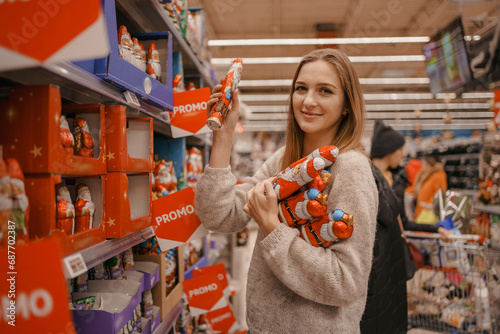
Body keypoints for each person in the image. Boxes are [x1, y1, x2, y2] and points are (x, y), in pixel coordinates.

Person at [195, 49, 378, 333]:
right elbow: (219, 216)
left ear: (346, 105)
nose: (308, 101)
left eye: (325, 91)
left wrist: (272, 226)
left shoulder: (350, 168)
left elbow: (346, 283)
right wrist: (223, 136)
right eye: (301, 88)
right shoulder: (284, 159)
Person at [361, 121, 451, 334]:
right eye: (399, 149)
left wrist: (435, 229)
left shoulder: (399, 179)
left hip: (396, 258)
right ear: (388, 149)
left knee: (394, 313)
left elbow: (404, 221)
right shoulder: (365, 177)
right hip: (373, 261)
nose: (403, 154)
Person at [413, 156, 448, 223]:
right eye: (423, 164)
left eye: (425, 164)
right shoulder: (424, 175)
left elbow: (440, 193)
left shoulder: (438, 175)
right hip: (421, 210)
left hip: (430, 212)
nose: (423, 166)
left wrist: (430, 205)